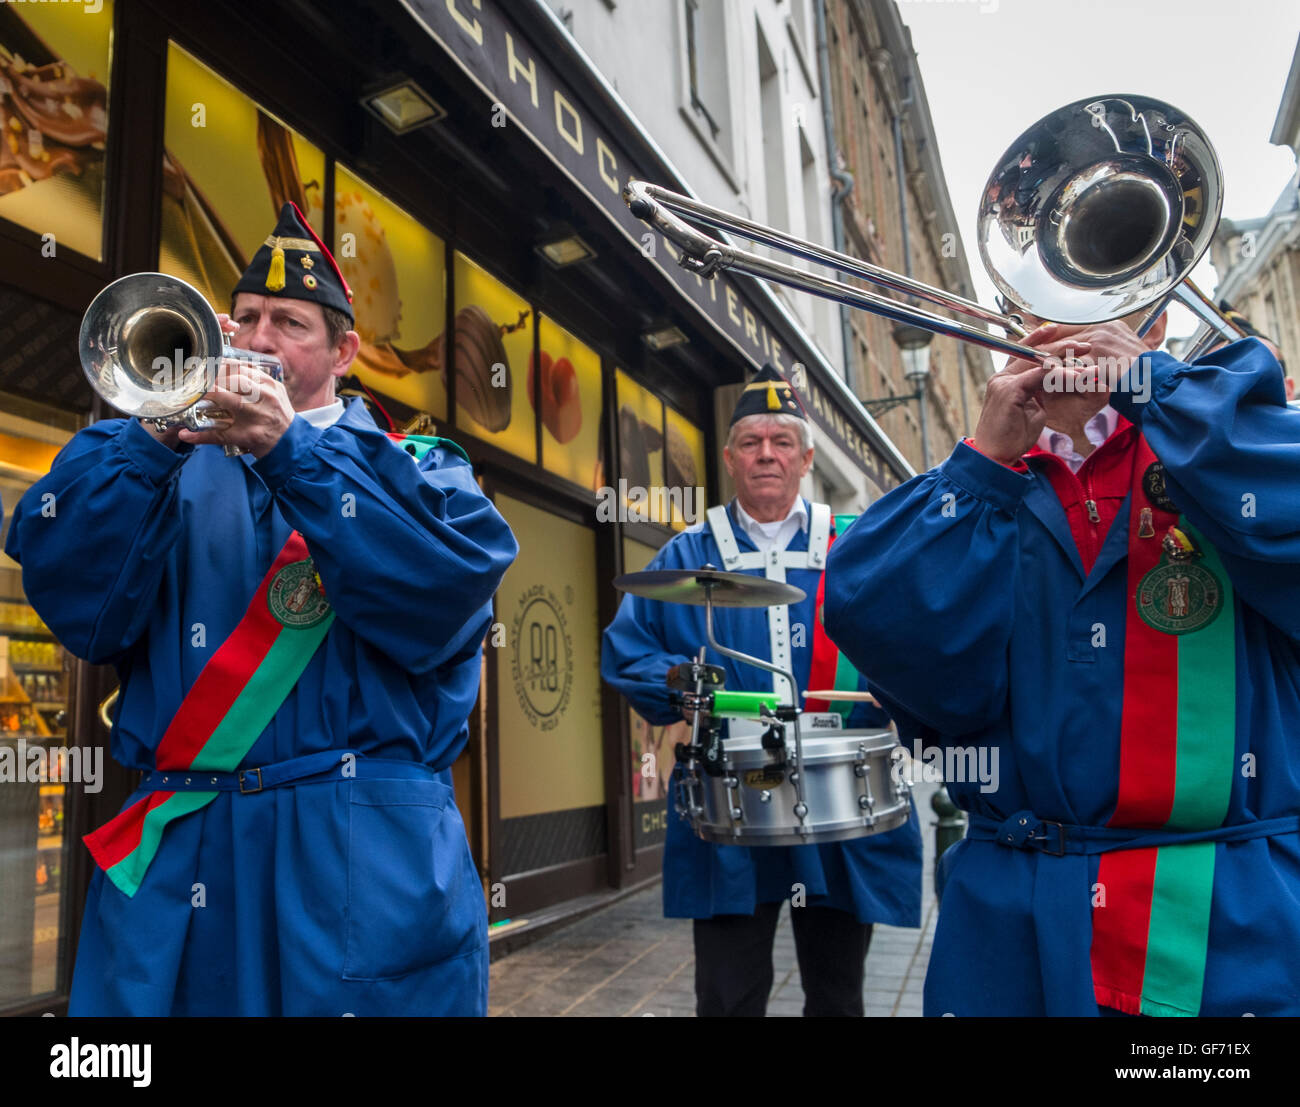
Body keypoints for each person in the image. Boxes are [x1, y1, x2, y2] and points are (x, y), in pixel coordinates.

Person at [4, 202, 518, 1016]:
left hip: (356, 852)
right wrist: (153, 437)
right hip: (188, 850)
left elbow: (444, 600)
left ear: (345, 350)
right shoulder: (149, 457)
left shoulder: (422, 469)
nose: (258, 337)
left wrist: (294, 455)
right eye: (242, 317)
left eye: (289, 321)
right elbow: (71, 595)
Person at [824, 309, 1300, 1016]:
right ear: (1013, 319)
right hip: (1009, 929)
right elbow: (877, 624)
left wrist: (1156, 388)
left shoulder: (1228, 444)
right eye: (1041, 300)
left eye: (1102, 292)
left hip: (1221, 932)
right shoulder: (972, 486)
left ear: (1159, 314)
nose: (1069, 316)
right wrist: (982, 462)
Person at [601, 365, 921, 1018]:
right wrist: (674, 681)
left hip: (834, 801)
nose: (766, 453)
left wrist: (902, 688)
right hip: (730, 797)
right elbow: (628, 647)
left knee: (838, 994)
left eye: (781, 440)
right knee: (726, 994)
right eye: (751, 441)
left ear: (806, 456)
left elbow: (914, 637)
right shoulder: (691, 553)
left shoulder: (855, 544)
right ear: (728, 457)